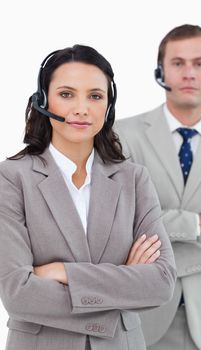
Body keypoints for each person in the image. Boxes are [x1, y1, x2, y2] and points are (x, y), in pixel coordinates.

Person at [0, 44, 176, 350]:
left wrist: (64, 272)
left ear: (108, 105)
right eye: (66, 94)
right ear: (43, 100)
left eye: (95, 96)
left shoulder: (134, 179)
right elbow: (18, 294)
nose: (82, 108)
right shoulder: (12, 178)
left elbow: (161, 283)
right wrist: (123, 283)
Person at [115, 24, 201, 350]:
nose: (189, 73)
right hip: (143, 320)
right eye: (178, 63)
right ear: (160, 71)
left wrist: (158, 263)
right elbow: (120, 224)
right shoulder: (121, 136)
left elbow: (141, 233)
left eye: (199, 63)